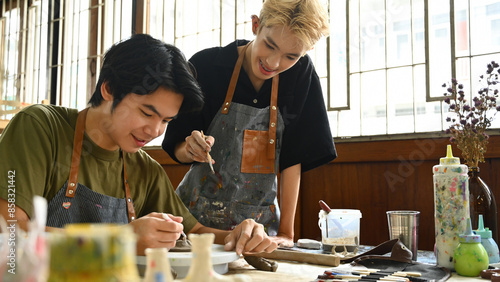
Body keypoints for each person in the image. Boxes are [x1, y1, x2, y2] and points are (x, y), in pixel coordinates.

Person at [0, 34, 276, 256]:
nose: (154, 130)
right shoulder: (39, 127)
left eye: (166, 120)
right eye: (147, 113)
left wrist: (240, 235)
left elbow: (195, 232)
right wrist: (121, 239)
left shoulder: (146, 170)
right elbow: (10, 235)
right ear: (108, 88)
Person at [162, 0, 337, 247]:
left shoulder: (300, 75)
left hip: (259, 233)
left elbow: (292, 161)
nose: (274, 63)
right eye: (270, 45)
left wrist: (286, 233)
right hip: (194, 227)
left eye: (291, 56)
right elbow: (177, 146)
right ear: (256, 25)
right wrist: (189, 149)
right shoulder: (207, 66)